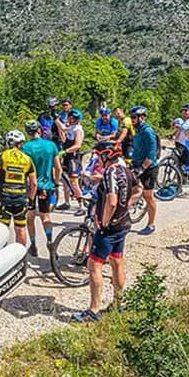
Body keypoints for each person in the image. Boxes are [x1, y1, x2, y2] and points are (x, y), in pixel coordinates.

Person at [72, 147, 136, 322]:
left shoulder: (109, 172)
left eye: (99, 156)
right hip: (124, 224)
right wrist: (127, 206)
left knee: (94, 265)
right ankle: (118, 303)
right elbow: (139, 189)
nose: (97, 160)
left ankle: (93, 310)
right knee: (117, 261)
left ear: (106, 156)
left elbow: (112, 201)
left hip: (109, 228)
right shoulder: (126, 170)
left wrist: (105, 221)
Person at [0, 130, 36, 246]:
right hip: (21, 198)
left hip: (5, 198)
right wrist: (31, 199)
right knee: (21, 228)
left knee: (2, 229)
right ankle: (20, 256)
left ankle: (1, 254)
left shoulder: (3, 156)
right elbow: (34, 184)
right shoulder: (27, 159)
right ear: (21, 143)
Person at [21, 121, 61, 258]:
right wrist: (56, 183)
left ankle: (33, 244)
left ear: (28, 132)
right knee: (45, 216)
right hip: (47, 185)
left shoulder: (25, 148)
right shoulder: (51, 145)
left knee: (30, 216)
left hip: (31, 186)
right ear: (39, 129)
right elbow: (58, 168)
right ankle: (50, 240)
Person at [129, 106, 160, 235]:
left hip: (149, 168)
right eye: (131, 117)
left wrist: (142, 169)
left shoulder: (148, 132)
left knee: (148, 196)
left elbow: (151, 154)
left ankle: (151, 224)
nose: (132, 120)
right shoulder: (138, 130)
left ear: (142, 118)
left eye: (134, 117)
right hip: (136, 164)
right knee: (131, 190)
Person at [59, 109, 85, 211]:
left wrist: (66, 151)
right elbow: (63, 129)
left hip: (74, 157)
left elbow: (77, 145)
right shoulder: (71, 127)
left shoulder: (78, 129)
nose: (69, 119)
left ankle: (81, 205)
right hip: (67, 157)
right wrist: (56, 119)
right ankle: (66, 202)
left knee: (74, 182)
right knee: (64, 180)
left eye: (72, 118)